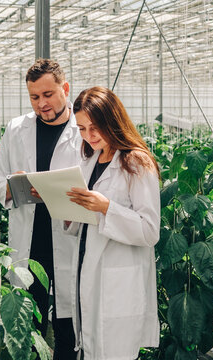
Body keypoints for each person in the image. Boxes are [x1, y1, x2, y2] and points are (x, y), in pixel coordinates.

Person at [0, 58, 81, 358]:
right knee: (29, 320)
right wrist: (12, 188)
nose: (42, 103)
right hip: (31, 241)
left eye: (48, 94)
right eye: (34, 97)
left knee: (69, 322)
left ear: (65, 89)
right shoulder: (17, 129)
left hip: (70, 237)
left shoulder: (83, 130)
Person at [65, 86, 160, 359]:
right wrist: (73, 212)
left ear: (112, 121)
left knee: (114, 350)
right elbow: (89, 219)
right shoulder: (90, 159)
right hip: (89, 266)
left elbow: (150, 230)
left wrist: (107, 208)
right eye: (82, 129)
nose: (88, 136)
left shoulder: (137, 163)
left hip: (119, 279)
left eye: (95, 128)